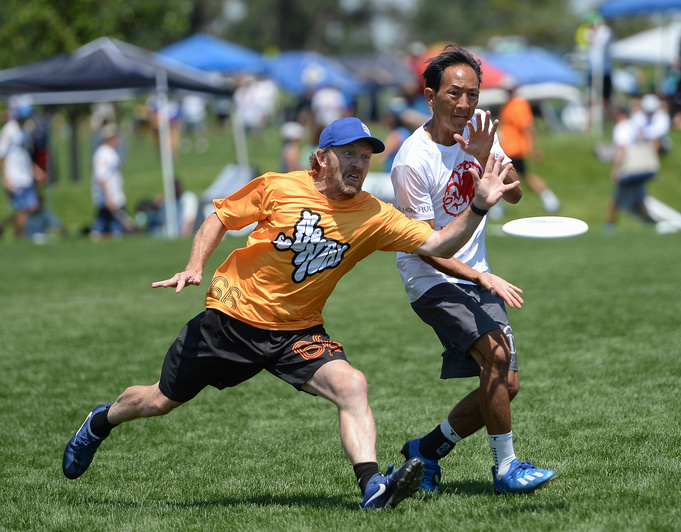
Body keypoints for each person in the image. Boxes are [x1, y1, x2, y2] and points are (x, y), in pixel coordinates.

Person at [62, 117, 519, 511]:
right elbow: (220, 216)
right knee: (158, 401)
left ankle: (372, 486)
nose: (360, 165)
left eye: (367, 157)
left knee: (352, 384)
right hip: (231, 321)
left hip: (297, 333)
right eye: (350, 155)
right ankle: (100, 422)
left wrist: (479, 205)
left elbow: (438, 244)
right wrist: (195, 265)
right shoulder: (278, 187)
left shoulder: (374, 214)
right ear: (321, 158)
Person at [390, 44, 556, 495]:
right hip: (432, 278)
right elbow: (424, 247)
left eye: (473, 95)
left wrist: (487, 160)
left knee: (506, 383)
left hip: (477, 272)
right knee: (496, 359)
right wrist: (479, 275)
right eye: (454, 95)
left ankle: (425, 451)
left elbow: (515, 194)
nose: (464, 105)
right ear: (430, 95)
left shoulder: (482, 133)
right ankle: (506, 469)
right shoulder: (411, 160)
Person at [498, 83, 560, 213]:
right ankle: (548, 198)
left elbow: (528, 127)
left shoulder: (518, 105)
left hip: (514, 149)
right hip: (507, 148)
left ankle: (497, 207)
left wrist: (534, 148)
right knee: (515, 176)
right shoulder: (507, 106)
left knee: (505, 176)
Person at [605, 105, 657, 231]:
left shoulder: (621, 127)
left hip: (630, 169)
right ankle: (654, 225)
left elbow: (622, 148)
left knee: (615, 201)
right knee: (639, 202)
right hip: (642, 168)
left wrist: (615, 169)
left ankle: (608, 227)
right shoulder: (634, 125)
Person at [0, 101, 40, 239]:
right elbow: (2, 155)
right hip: (14, 177)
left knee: (32, 206)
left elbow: (25, 154)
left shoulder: (26, 129)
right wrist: (5, 177)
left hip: (26, 176)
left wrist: (35, 170)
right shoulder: (9, 130)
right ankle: (20, 237)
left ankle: (4, 226)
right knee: (22, 209)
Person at [89, 123, 131, 240]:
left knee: (111, 222)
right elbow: (102, 177)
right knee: (103, 221)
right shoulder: (102, 154)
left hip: (114, 195)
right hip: (107, 196)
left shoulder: (110, 153)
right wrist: (107, 197)